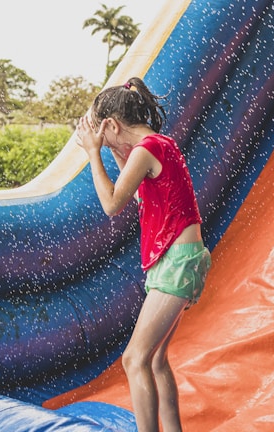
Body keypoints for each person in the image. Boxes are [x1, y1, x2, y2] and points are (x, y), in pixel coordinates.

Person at [75, 76, 211, 432]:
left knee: (134, 359)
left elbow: (111, 204)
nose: (100, 141)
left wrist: (93, 153)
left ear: (111, 124)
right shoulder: (157, 145)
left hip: (176, 262)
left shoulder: (146, 150)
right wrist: (113, 150)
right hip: (181, 259)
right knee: (156, 360)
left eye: (102, 134)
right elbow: (136, 195)